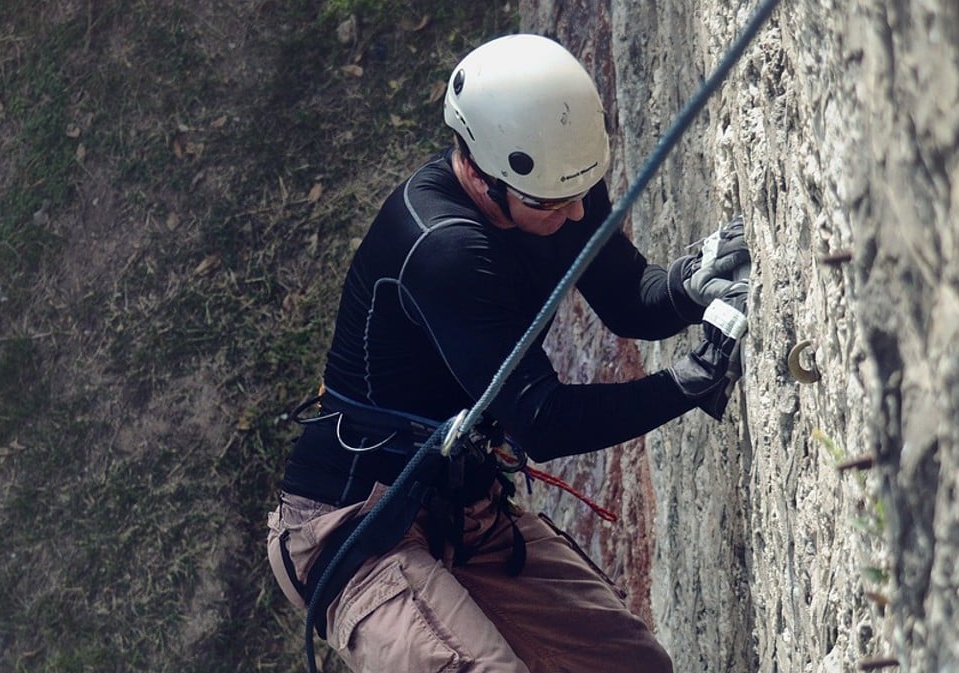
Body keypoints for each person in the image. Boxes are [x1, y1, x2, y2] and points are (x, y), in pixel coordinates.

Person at [267, 34, 750, 673]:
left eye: (582, 192)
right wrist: (687, 382)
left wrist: (687, 288)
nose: (575, 214)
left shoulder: (555, 179)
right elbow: (541, 420)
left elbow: (628, 299)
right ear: (478, 171)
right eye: (551, 204)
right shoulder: (445, 250)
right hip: (355, 530)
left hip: (461, 511)